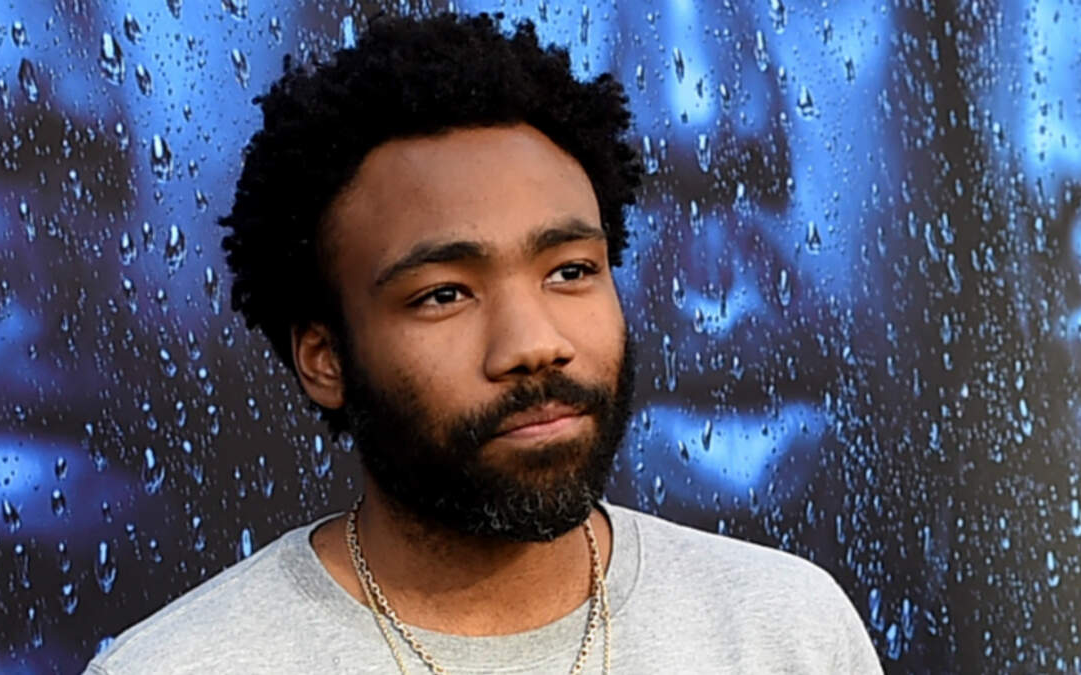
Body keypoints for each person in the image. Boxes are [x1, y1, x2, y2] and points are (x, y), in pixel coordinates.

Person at [85, 12, 882, 674]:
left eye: (570, 271)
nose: (534, 344)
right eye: (444, 294)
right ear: (325, 358)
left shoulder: (787, 631)